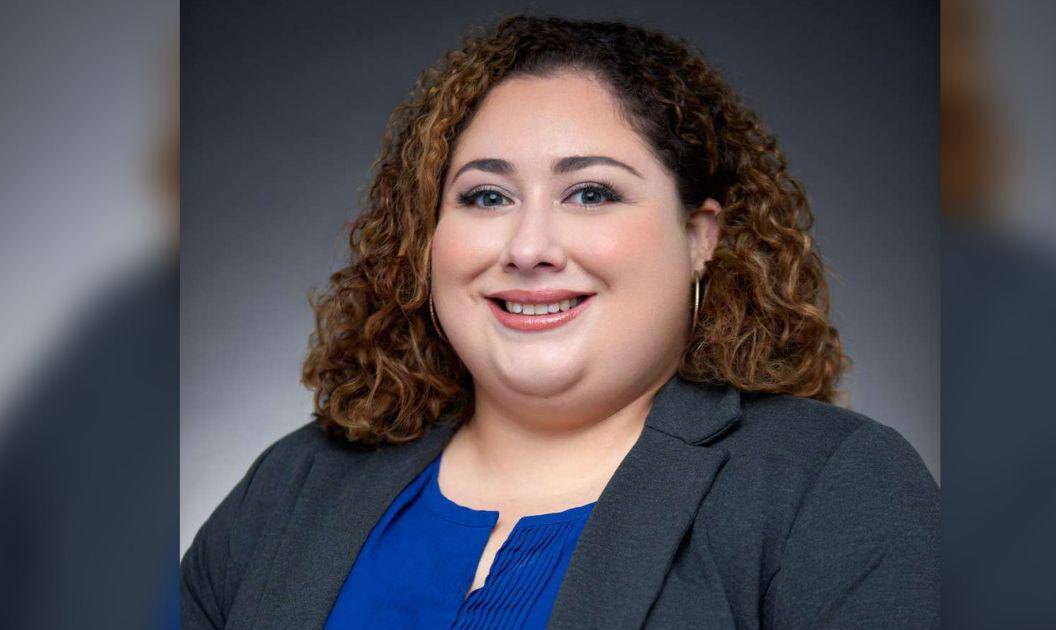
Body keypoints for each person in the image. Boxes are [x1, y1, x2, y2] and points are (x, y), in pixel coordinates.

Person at [181, 15, 939, 629]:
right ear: (425, 239)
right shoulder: (295, 484)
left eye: (591, 194)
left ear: (699, 237)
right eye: (486, 197)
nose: (529, 247)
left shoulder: (831, 490)